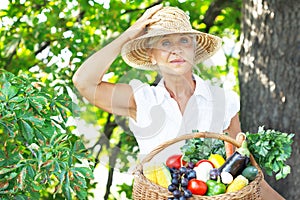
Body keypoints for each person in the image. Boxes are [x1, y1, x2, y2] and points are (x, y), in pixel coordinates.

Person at [72, 4, 284, 200]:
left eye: (184, 40)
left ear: (193, 49)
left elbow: (242, 171)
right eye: (165, 42)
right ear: (151, 55)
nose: (176, 49)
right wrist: (130, 33)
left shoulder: (223, 101)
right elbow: (84, 82)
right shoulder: (141, 100)